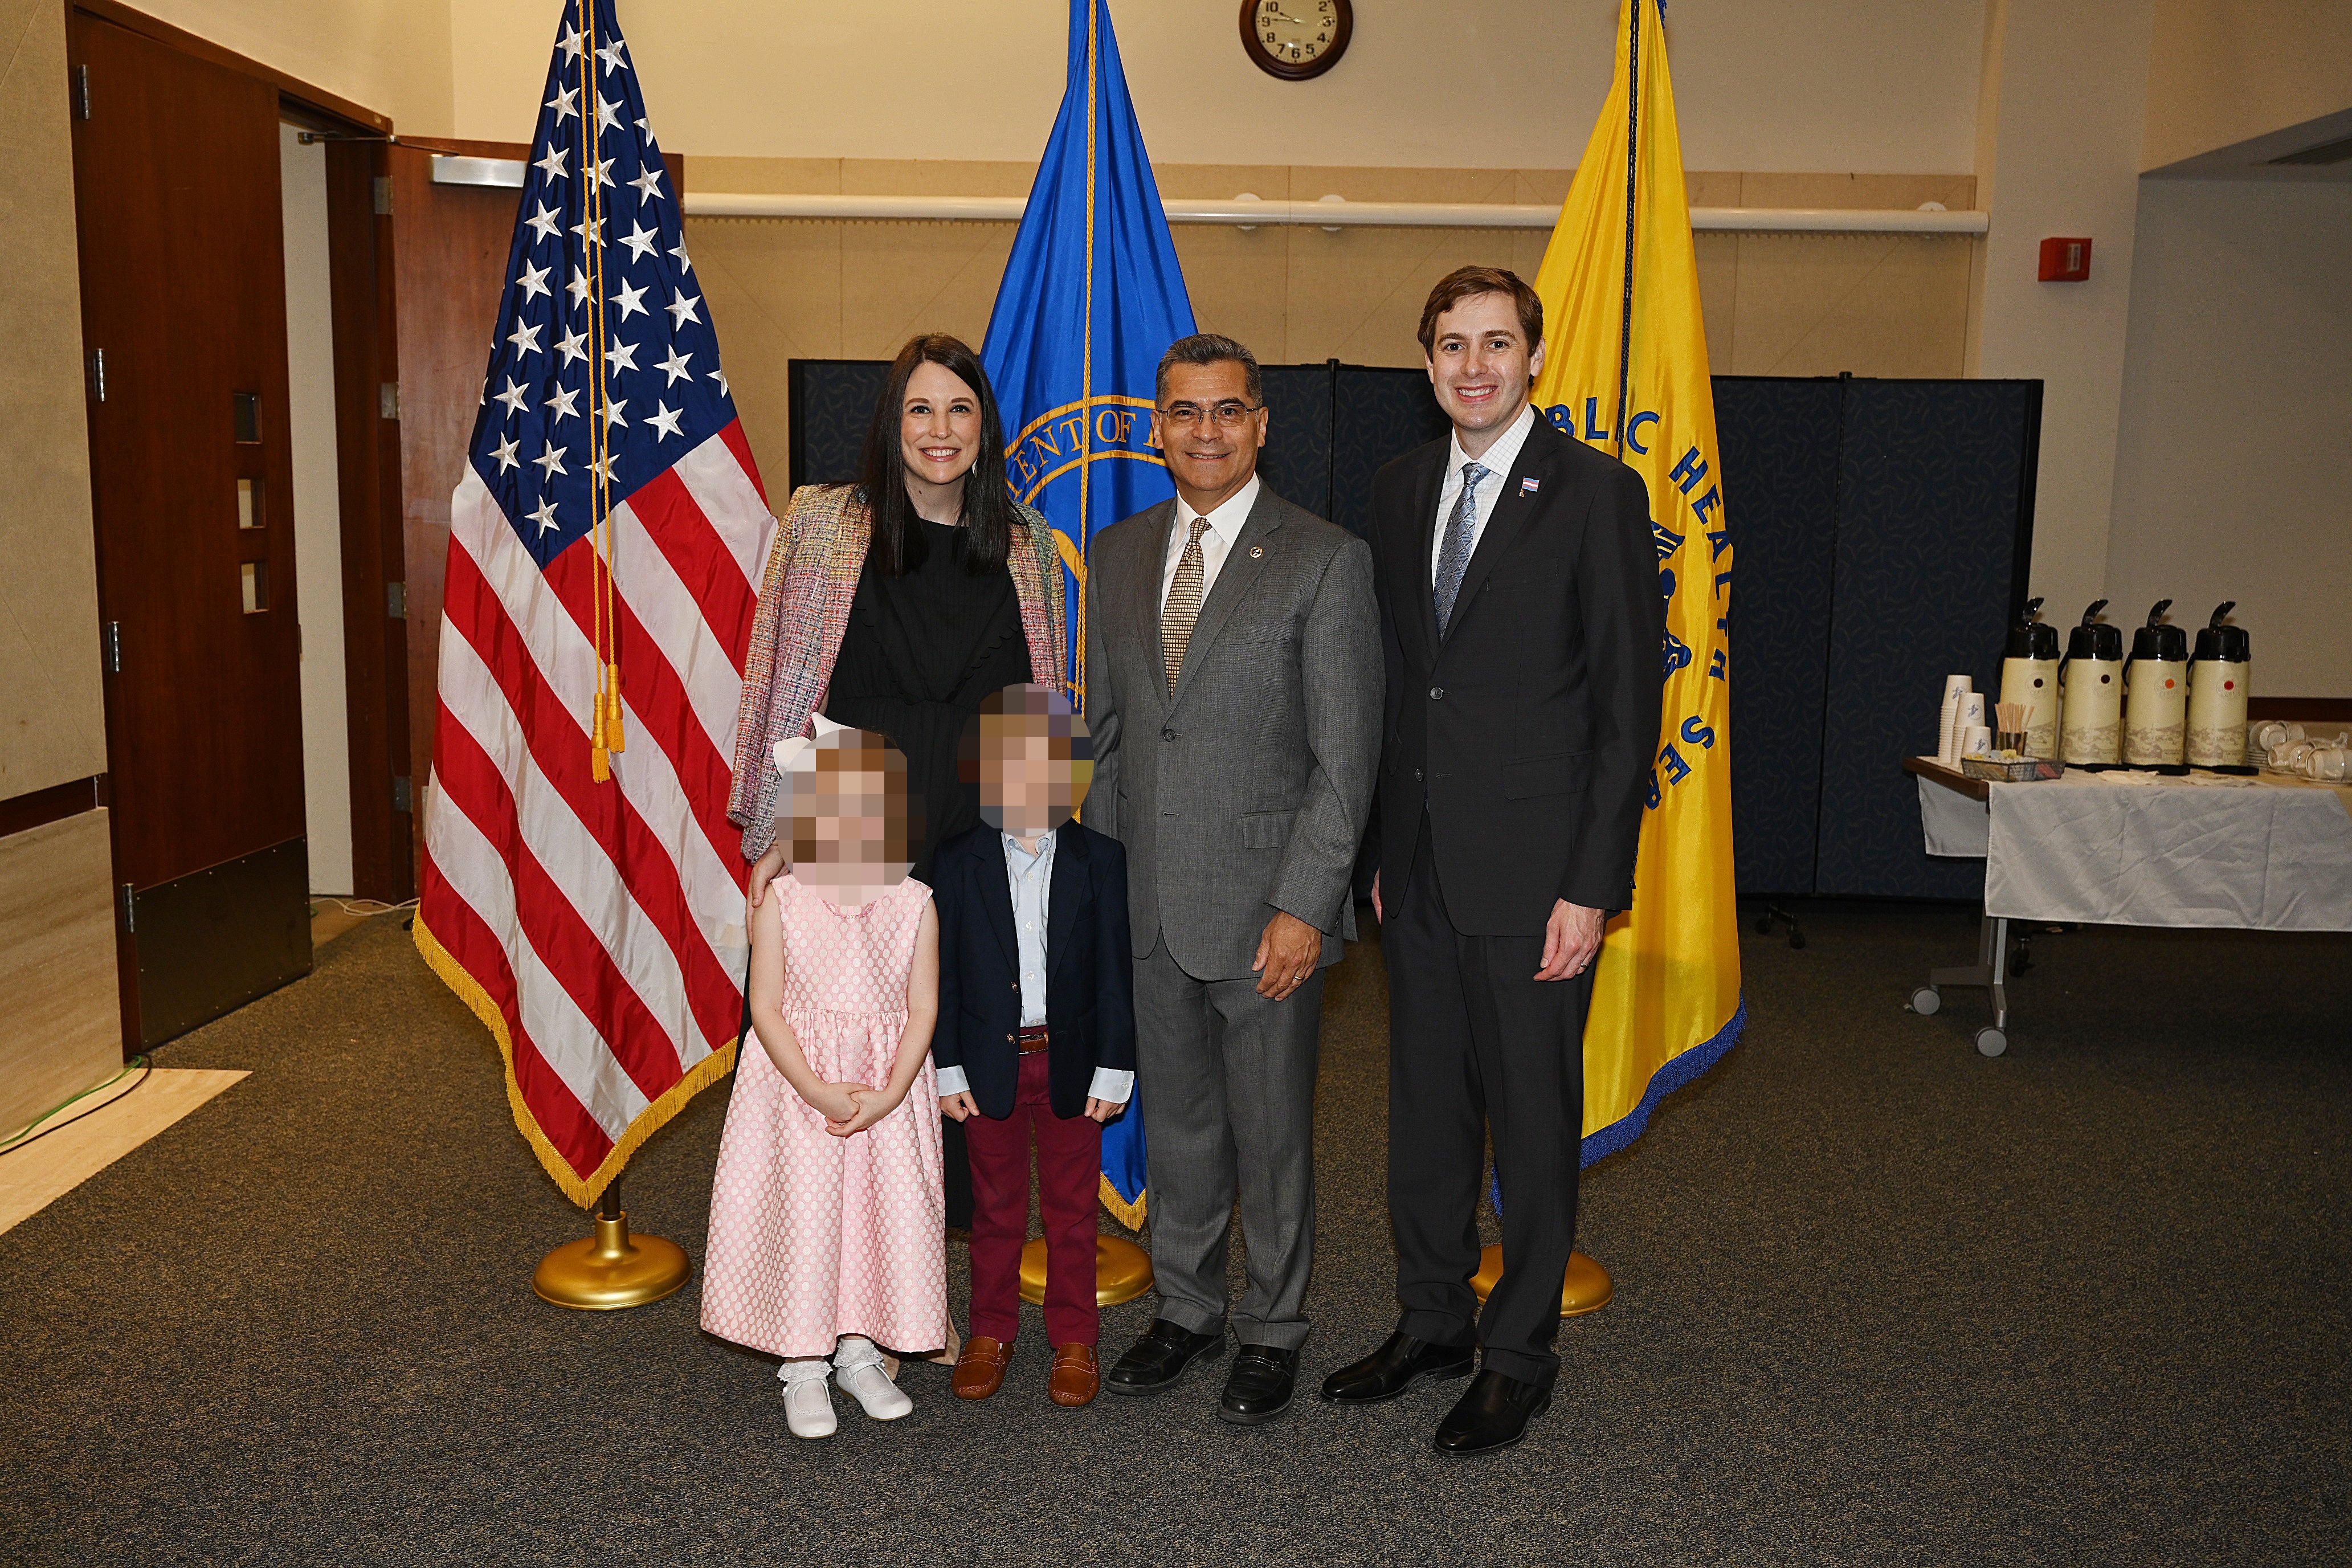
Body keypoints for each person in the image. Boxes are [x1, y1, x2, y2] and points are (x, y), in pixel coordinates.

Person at [1321, 267, 1663, 1455]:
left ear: (1535, 356)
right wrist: (1379, 845)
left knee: (1529, 1118)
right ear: (1426, 363)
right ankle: (1431, 1319)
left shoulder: (1595, 492)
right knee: (1424, 1113)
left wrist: (1591, 883)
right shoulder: (1399, 485)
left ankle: (1517, 1353)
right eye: (1452, 345)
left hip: (1535, 877)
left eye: (1497, 343)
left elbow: (1626, 707)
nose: (1474, 365)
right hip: (1416, 866)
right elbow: (1400, 685)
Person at [1083, 333, 1382, 1426]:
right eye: (1182, 411)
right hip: (1148, 903)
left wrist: (1305, 904)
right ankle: (1187, 1308)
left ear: (1259, 424)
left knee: (1270, 1134)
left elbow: (1344, 763)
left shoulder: (1323, 558)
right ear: (1154, 429)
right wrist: (1099, 887)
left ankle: (1273, 1326)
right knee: (1180, 1128)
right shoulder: (1116, 554)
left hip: (1266, 914)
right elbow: (1106, 740)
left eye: (1225, 410)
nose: (1203, 431)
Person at [726, 333, 1068, 1232]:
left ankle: (922, 1268)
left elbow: (1044, 701)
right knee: (832, 1051)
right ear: (893, 421)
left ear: (986, 428)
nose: (940, 429)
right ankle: (810, 1263)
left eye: (960, 409)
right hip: (846, 837)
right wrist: (779, 830)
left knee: (956, 1056)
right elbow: (780, 679)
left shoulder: (1029, 544)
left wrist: (1047, 846)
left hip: (977, 844)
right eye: (921, 408)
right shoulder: (823, 523)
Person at [700, 721, 949, 1440]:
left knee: (875, 1218)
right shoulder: (785, 901)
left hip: (884, 1096)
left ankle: (858, 1351)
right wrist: (813, 1087)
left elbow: (924, 1007)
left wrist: (893, 1090)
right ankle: (803, 1361)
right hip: (797, 1095)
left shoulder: (915, 902)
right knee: (807, 1220)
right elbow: (766, 1008)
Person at [930, 684, 1136, 1408]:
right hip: (988, 1063)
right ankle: (991, 1329)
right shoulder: (956, 861)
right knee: (995, 1210)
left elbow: (1115, 974)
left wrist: (1115, 1066)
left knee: (1072, 1210)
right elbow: (942, 975)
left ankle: (1075, 1336)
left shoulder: (1100, 858)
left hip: (1071, 1062)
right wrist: (946, 1064)